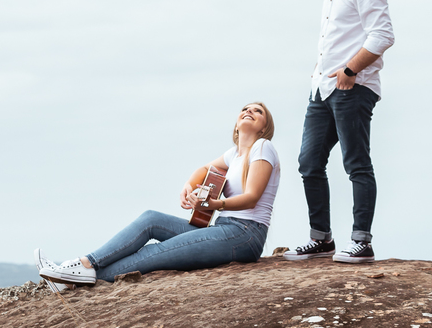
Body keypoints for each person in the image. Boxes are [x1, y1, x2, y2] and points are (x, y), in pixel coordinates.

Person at [37, 102, 281, 287]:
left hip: (244, 234)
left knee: (153, 254)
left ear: (264, 127)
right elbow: (207, 169)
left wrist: (216, 203)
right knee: (150, 219)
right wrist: (189, 184)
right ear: (237, 125)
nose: (249, 111)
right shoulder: (234, 154)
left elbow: (252, 197)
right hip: (223, 228)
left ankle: (78, 275)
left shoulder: (263, 147)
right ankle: (84, 265)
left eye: (258, 111)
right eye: (245, 109)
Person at [286, 0, 394, 264]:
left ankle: (361, 241)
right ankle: (322, 239)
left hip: (352, 87)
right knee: (308, 162)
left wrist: (350, 70)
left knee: (356, 164)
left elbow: (382, 35)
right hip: (322, 89)